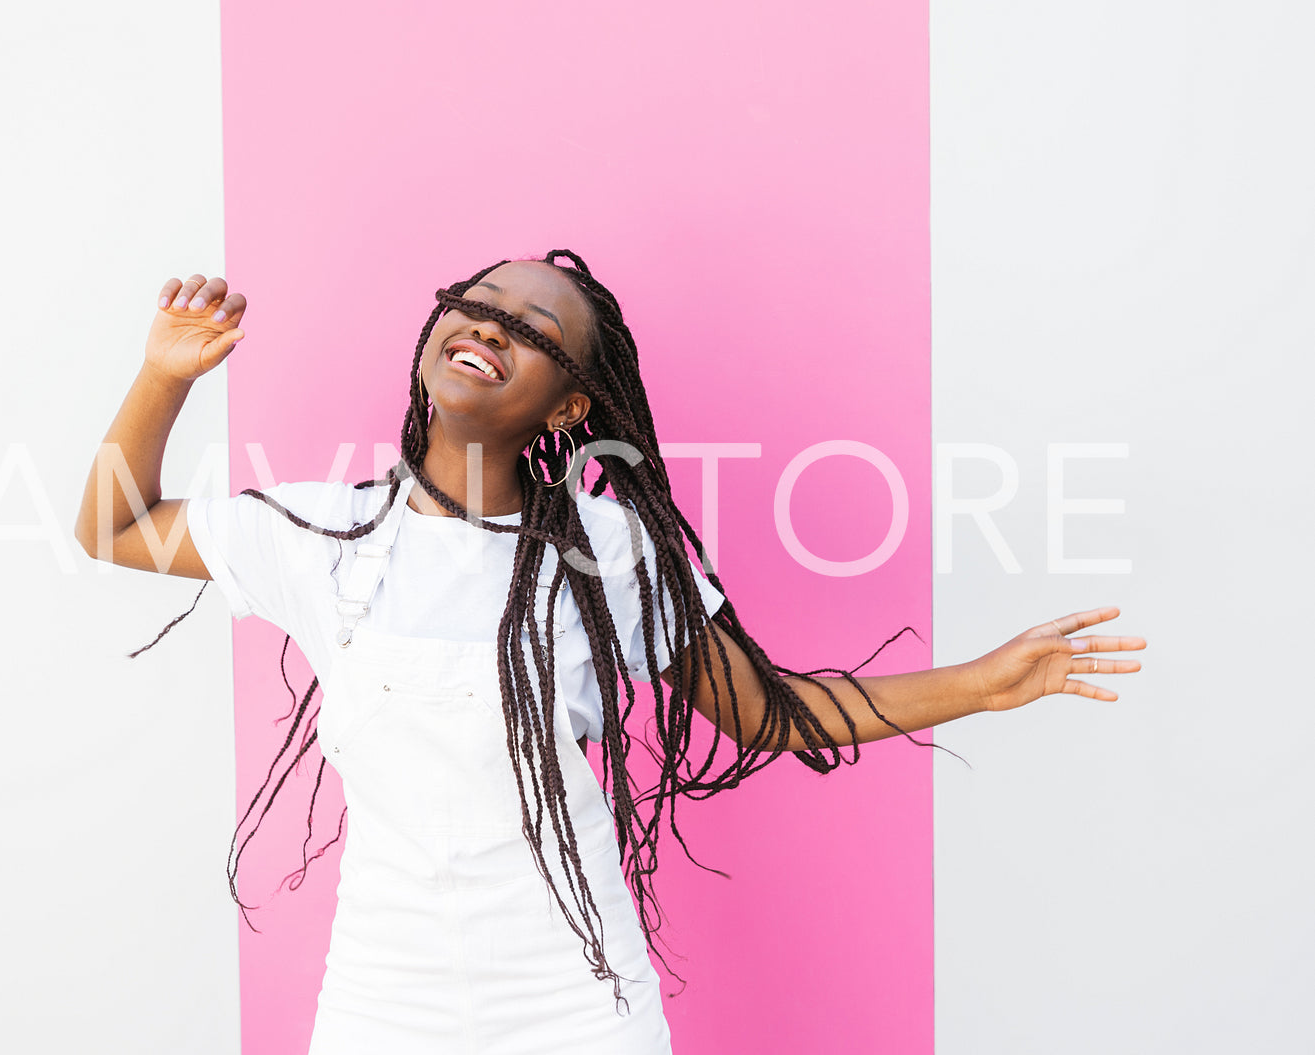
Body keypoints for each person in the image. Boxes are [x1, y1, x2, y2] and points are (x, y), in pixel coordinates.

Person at [73, 250, 1145, 1054]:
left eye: (531, 329)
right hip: (380, 996)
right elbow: (112, 529)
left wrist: (984, 681)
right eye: (479, 302)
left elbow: (770, 712)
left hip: (576, 1000)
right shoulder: (320, 536)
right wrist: (163, 374)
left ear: (572, 406)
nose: (490, 323)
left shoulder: (610, 548)